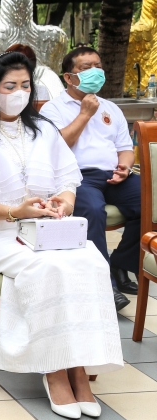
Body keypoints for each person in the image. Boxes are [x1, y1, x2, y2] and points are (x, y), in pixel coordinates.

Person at [0, 52, 123, 419]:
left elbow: (68, 181)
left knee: (90, 261)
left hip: (44, 229)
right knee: (45, 269)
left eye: (25, 85)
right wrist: (17, 211)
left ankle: (79, 366)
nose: (19, 92)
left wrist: (61, 202)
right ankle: (54, 369)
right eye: (10, 86)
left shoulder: (43, 129)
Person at [40, 47, 140, 311]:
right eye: (85, 68)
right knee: (93, 211)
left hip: (113, 175)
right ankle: (104, 284)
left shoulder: (111, 108)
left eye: (98, 65)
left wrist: (125, 168)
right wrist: (84, 114)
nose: (95, 71)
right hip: (77, 176)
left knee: (151, 201)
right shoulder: (53, 109)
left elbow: (125, 148)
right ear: (69, 78)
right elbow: (56, 147)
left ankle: (122, 263)